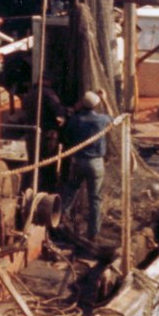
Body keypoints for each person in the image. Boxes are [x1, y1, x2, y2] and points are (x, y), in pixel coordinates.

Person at [63, 91, 112, 240]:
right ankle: (93, 233)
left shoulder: (75, 119)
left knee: (71, 191)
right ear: (96, 105)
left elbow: (67, 135)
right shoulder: (101, 120)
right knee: (95, 199)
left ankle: (60, 222)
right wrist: (105, 99)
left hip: (78, 161)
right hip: (96, 164)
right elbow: (112, 118)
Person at [24, 73, 66, 189]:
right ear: (48, 81)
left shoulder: (30, 93)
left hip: (31, 134)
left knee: (32, 163)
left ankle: (27, 189)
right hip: (47, 135)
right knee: (48, 164)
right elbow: (59, 114)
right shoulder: (49, 94)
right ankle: (47, 190)